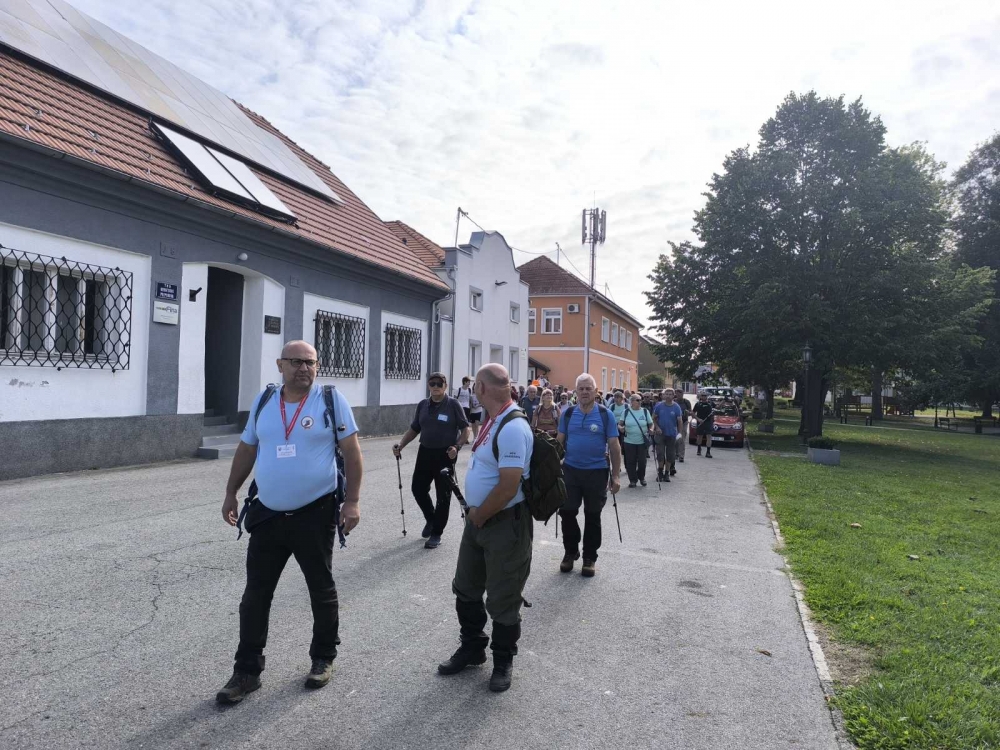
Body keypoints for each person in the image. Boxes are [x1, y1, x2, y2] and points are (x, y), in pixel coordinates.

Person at [217, 340, 363, 704]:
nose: (303, 368)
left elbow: (352, 453)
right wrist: (231, 492)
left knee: (321, 589)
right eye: (295, 362)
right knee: (255, 597)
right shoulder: (265, 401)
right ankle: (247, 671)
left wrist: (353, 502)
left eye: (310, 362)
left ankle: (322, 658)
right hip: (267, 513)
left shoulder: (330, 400)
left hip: (315, 513)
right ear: (280, 365)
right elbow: (248, 447)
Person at [437, 363, 533, 693]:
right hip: (478, 523)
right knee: (465, 586)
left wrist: (479, 515)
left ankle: (503, 660)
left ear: (480, 388)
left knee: (504, 597)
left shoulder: (512, 426)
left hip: (504, 524)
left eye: (474, 386)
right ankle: (473, 647)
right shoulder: (492, 420)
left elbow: (509, 485)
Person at [392, 372, 471, 549]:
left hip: (445, 454)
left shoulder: (453, 404)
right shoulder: (422, 405)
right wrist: (401, 445)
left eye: (439, 383)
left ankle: (436, 533)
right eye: (432, 383)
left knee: (443, 495)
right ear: (428, 385)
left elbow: (466, 430)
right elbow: (414, 428)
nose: (435, 386)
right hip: (425, 451)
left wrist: (456, 447)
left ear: (445, 385)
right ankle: (431, 518)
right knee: (417, 488)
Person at [556, 373, 621, 577]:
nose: (584, 392)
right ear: (576, 392)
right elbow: (558, 443)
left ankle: (589, 557)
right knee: (566, 511)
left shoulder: (605, 414)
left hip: (596, 471)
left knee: (593, 515)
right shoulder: (567, 414)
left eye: (588, 388)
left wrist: (616, 476)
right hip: (571, 471)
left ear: (595, 391)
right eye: (581, 388)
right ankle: (571, 551)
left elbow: (614, 447)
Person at [622, 393, 653, 487]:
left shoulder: (645, 411)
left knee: (642, 461)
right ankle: (633, 480)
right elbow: (620, 423)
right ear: (631, 402)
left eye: (641, 400)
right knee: (630, 461)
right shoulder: (626, 412)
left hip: (642, 442)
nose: (640, 402)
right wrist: (620, 427)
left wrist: (651, 429)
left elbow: (651, 423)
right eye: (637, 400)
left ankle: (642, 477)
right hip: (629, 441)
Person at [652, 388, 684, 482]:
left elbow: (680, 421)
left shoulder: (676, 407)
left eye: (670, 394)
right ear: (663, 395)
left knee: (670, 455)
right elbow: (653, 417)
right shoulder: (659, 406)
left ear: (673, 395)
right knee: (660, 453)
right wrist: (657, 427)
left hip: (671, 434)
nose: (668, 396)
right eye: (666, 394)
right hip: (660, 434)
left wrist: (679, 433)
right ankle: (660, 472)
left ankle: (667, 473)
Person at [691, 391, 716, 458]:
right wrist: (698, 419)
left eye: (705, 395)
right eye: (703, 395)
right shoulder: (698, 404)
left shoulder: (710, 403)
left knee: (709, 436)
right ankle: (699, 449)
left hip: (708, 422)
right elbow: (692, 413)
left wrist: (723, 401)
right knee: (699, 437)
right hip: (700, 422)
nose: (704, 397)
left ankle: (708, 452)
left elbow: (717, 407)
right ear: (700, 397)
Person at [676, 394, 691, 463]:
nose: (679, 395)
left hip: (684, 422)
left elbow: (691, 412)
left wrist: (688, 412)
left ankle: (681, 456)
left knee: (682, 439)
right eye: (677, 393)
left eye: (680, 394)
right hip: (675, 422)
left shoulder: (686, 402)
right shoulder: (674, 402)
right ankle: (676, 453)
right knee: (675, 439)